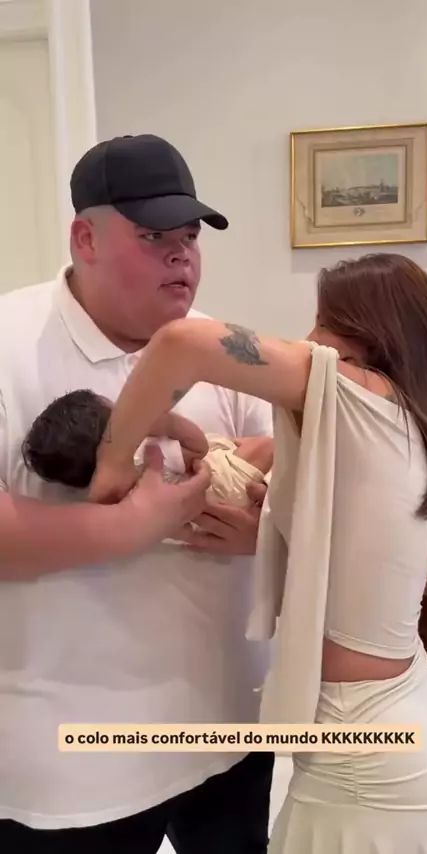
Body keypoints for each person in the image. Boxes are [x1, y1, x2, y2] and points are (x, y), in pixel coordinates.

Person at [90, 253, 427, 853]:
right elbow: (343, 549)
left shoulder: (361, 397)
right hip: (400, 723)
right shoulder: (405, 422)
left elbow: (182, 344)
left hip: (367, 753)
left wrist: (111, 466)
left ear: (369, 339)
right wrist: (264, 531)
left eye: (324, 323)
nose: (309, 338)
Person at [0, 134, 274, 853]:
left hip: (231, 725)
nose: (182, 256)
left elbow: (286, 481)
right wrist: (132, 525)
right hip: (73, 759)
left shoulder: (226, 349)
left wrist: (266, 530)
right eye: (154, 236)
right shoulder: (7, 343)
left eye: (190, 237)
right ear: (85, 238)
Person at [21, 388, 273, 506]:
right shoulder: (147, 454)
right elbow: (199, 447)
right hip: (220, 483)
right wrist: (166, 423)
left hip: (209, 498)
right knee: (272, 449)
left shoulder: (106, 494)